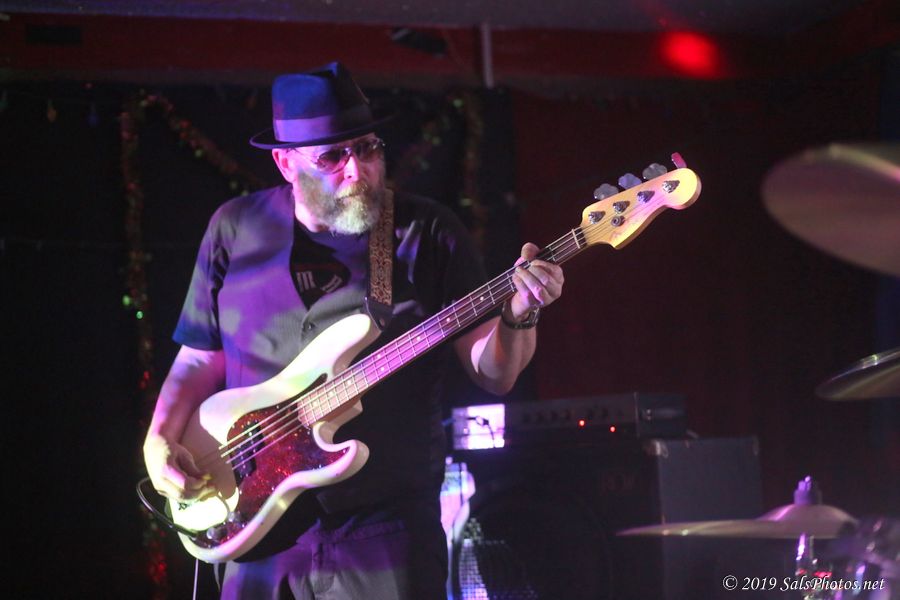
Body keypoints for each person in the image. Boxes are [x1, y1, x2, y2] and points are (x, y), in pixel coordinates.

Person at [143, 62, 564, 599]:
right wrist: (159, 441)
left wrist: (520, 313)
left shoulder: (426, 232)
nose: (356, 171)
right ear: (285, 163)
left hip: (383, 532)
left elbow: (495, 374)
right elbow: (199, 359)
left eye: (367, 149)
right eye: (331, 157)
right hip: (250, 523)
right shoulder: (234, 228)